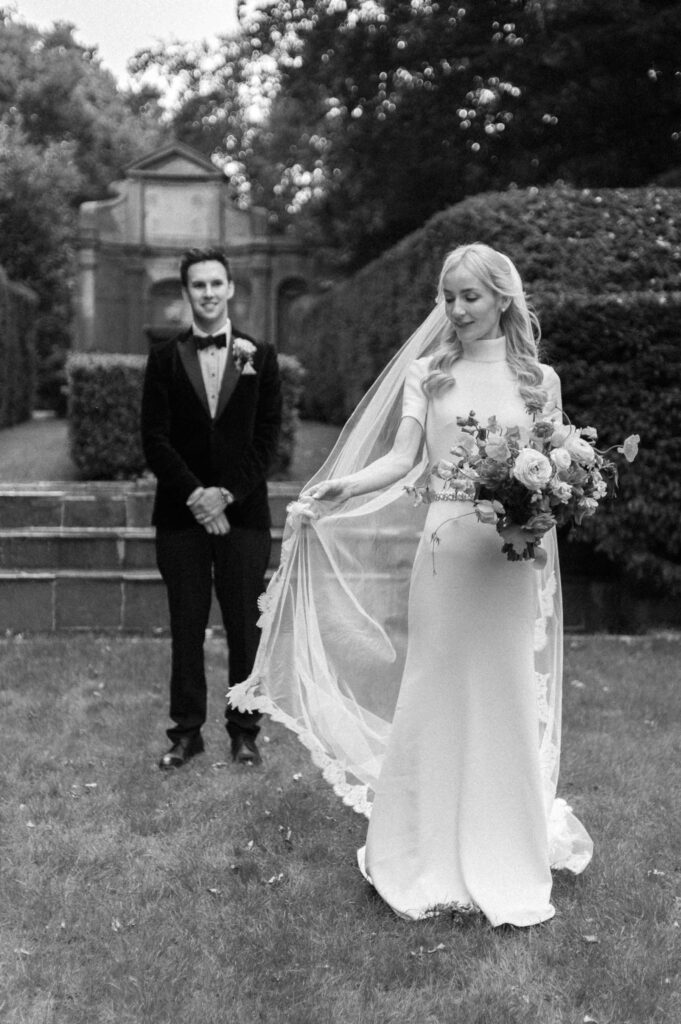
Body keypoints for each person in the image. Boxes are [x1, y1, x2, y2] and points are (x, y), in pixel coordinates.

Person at [230, 242, 592, 927]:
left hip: (508, 561)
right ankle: (417, 848)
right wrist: (340, 487)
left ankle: (505, 846)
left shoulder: (539, 379)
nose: (454, 310)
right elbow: (402, 460)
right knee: (433, 689)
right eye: (447, 296)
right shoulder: (427, 374)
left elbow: (553, 466)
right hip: (445, 553)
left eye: (469, 297)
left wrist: (543, 524)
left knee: (505, 693)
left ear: (501, 300)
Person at [141, 247, 282, 770]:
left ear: (230, 290)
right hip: (181, 516)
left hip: (242, 516)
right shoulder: (162, 359)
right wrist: (197, 497)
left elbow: (267, 440)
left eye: (215, 283)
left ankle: (245, 731)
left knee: (245, 626)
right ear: (186, 293)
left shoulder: (259, 357)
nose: (207, 293)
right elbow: (154, 438)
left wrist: (225, 495)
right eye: (197, 285)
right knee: (186, 625)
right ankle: (185, 735)